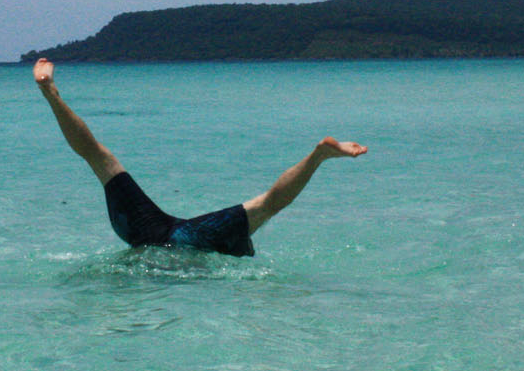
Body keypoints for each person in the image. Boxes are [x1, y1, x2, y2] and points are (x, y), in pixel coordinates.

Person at [32, 58, 366, 257]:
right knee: (267, 204)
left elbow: (93, 152)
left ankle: (51, 94)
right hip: (196, 242)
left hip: (142, 232)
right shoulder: (222, 249)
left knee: (98, 157)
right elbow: (273, 202)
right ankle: (318, 156)